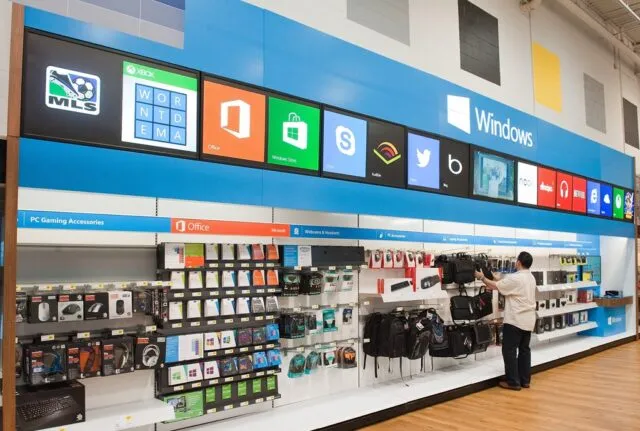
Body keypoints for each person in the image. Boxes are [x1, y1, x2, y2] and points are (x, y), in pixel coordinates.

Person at [474, 251, 536, 391]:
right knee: (524, 350)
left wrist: (482, 277)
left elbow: (495, 286)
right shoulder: (531, 277)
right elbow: (504, 283)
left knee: (509, 350)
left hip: (515, 321)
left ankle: (513, 382)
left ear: (518, 262)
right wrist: (494, 276)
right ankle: (525, 380)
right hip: (528, 320)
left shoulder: (516, 278)